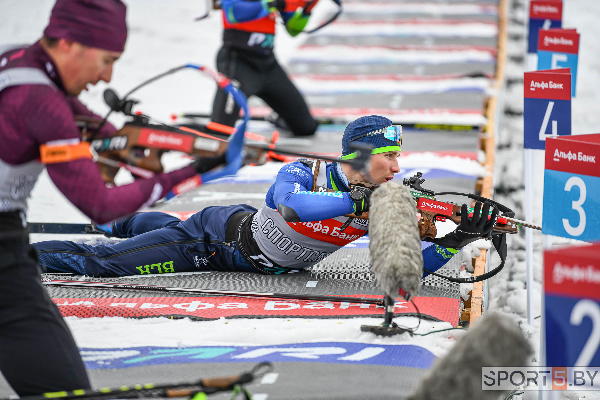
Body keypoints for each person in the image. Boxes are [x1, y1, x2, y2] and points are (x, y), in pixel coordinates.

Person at [0, 0, 240, 395]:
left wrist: (143, 146)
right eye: (107, 60)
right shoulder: (42, 102)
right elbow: (101, 206)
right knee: (60, 384)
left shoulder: (17, 63)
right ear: (70, 44)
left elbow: (97, 130)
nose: (107, 76)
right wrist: (196, 170)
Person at [34, 115, 499, 279]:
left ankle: (123, 221)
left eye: (400, 158)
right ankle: (21, 256)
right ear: (359, 155)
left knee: (153, 230)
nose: (397, 168)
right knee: (104, 263)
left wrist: (456, 238)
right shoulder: (302, 171)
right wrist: (359, 204)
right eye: (389, 156)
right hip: (215, 244)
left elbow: (406, 269)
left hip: (234, 239)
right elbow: (295, 207)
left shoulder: (383, 198)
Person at [211, 0, 320, 137]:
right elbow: (233, 13)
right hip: (238, 64)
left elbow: (293, 29)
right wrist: (272, 3)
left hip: (268, 66)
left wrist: (307, 9)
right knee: (219, 132)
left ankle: (278, 118)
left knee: (306, 127)